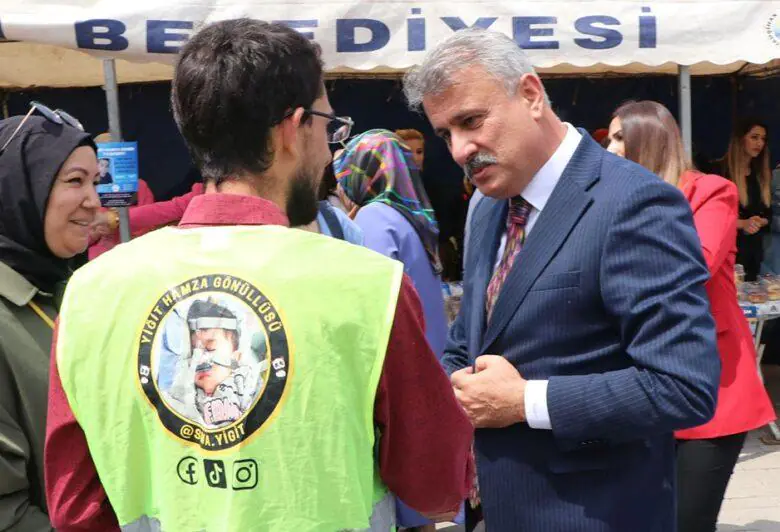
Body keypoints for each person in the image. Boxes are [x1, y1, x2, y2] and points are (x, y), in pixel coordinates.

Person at [45, 19, 472, 531]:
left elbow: (75, 508)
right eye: (329, 127)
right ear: (292, 129)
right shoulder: (367, 286)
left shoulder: (90, 292)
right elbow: (437, 486)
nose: (331, 150)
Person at [403, 28, 720, 531]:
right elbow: (471, 339)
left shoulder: (633, 203)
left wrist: (524, 402)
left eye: (471, 121)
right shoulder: (486, 209)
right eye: (445, 134)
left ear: (530, 95)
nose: (461, 149)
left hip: (595, 513)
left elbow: (683, 386)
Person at [607, 100, 776, 532]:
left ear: (650, 139)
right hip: (643, 382)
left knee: (688, 520)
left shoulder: (710, 191)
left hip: (712, 382)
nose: (608, 149)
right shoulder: (615, 201)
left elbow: (691, 265)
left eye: (618, 137)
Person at [334, 130, 452, 530]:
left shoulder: (373, 217)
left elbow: (368, 302)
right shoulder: (410, 213)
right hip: (430, 359)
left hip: (395, 373)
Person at [0, 107, 100, 530]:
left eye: (96, 181)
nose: (93, 200)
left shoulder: (76, 292)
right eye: (74, 181)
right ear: (21, 189)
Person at [717, 118, 773, 281]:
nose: (759, 143)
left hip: (754, 255)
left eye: (763, 139)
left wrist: (759, 221)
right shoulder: (720, 172)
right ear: (740, 139)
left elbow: (768, 214)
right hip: (727, 254)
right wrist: (743, 223)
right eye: (754, 137)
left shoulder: (760, 175)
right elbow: (713, 218)